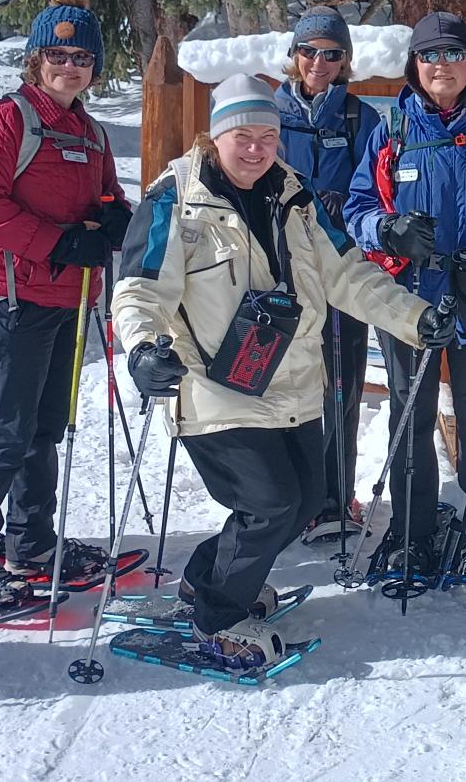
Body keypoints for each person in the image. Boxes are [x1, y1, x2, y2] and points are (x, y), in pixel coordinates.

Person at [113, 75, 449, 667]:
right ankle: (219, 618)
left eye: (267, 136)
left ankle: (207, 579)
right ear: (215, 136)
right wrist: (143, 348)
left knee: (305, 501)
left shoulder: (296, 196)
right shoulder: (177, 198)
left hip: (291, 383)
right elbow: (140, 289)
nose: (255, 148)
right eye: (242, 135)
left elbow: (349, 274)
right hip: (214, 387)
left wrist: (415, 319)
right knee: (268, 504)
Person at [0, 0, 130, 610]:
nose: (69, 66)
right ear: (36, 60)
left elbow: (107, 195)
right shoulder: (6, 120)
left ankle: (32, 544)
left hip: (68, 299)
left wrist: (115, 217)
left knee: (44, 429)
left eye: (82, 58)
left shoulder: (90, 131)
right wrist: (61, 242)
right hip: (12, 297)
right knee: (5, 432)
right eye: (58, 55)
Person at [344, 11, 466, 585]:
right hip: (410, 301)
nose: (441, 65)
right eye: (429, 55)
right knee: (410, 417)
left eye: (453, 53)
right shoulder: (392, 132)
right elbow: (359, 207)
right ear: (414, 65)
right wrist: (388, 231)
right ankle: (412, 531)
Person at [274, 5, 382, 542]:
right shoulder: (269, 113)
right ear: (294, 54)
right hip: (281, 272)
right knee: (282, 386)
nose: (319, 62)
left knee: (341, 386)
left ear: (345, 60)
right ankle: (288, 500)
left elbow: (379, 186)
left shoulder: (361, 119)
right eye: (309, 50)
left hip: (340, 270)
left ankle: (335, 498)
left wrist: (349, 208)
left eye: (332, 53)